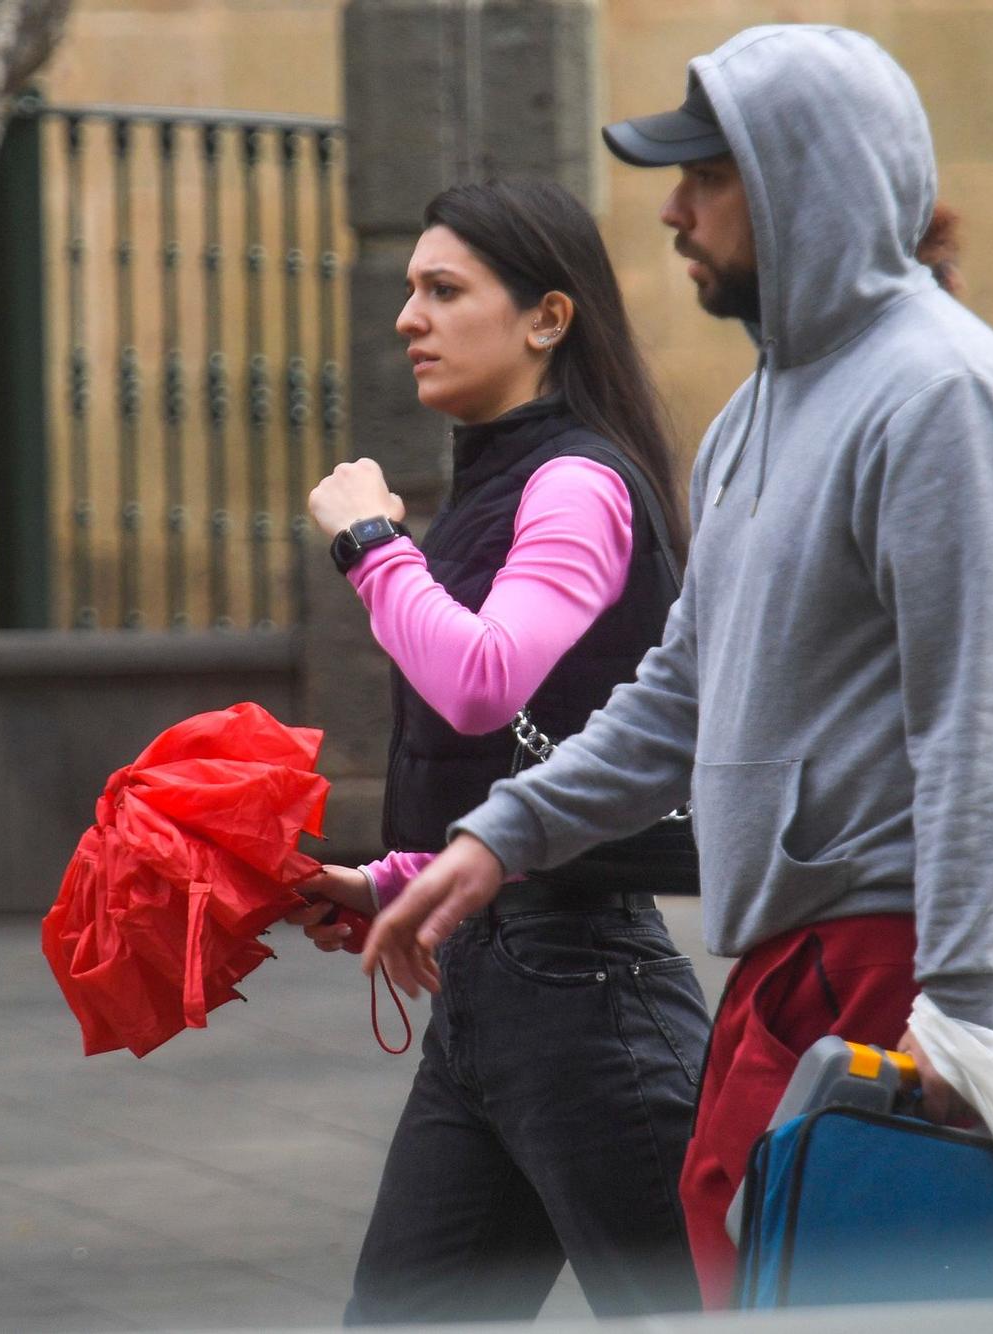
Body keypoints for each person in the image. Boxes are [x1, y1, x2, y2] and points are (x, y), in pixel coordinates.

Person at [361, 24, 993, 1308]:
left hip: (917, 943)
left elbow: (978, 726)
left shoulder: (943, 396)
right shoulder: (753, 415)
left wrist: (962, 1019)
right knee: (747, 1281)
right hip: (803, 938)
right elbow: (678, 697)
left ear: (805, 182)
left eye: (705, 178)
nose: (672, 211)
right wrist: (494, 840)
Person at [287, 178, 709, 1323]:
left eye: (443, 289)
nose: (406, 317)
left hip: (585, 1000)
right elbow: (538, 747)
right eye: (411, 289)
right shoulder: (500, 479)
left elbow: (483, 685)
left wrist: (372, 543)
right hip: (489, 1003)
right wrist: (387, 880)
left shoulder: (573, 481)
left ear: (546, 319)